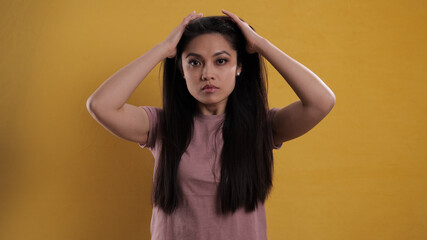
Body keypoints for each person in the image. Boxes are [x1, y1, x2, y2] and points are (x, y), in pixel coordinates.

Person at [86, 9, 335, 240]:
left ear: (239, 67)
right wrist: (164, 49)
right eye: (194, 62)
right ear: (181, 70)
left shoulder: (262, 127)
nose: (207, 74)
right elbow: (101, 105)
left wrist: (260, 45)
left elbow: (321, 101)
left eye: (221, 61)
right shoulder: (161, 125)